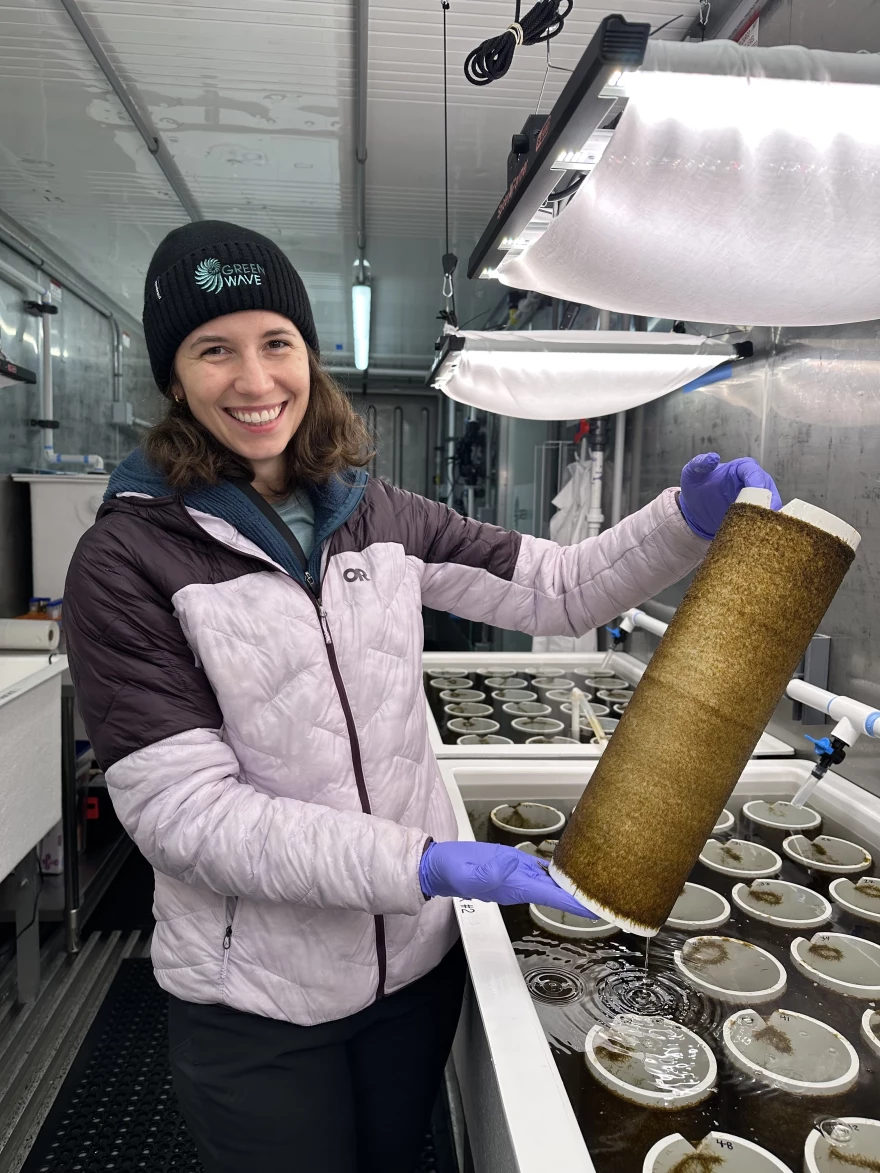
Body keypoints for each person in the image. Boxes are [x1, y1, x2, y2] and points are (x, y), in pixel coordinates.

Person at [63, 220, 780, 1173]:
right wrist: (426, 862)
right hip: (260, 1000)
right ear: (174, 377)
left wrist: (681, 525)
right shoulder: (127, 561)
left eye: (276, 342)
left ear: (309, 355)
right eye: (213, 350)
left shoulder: (373, 510)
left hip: (410, 974)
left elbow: (555, 588)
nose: (254, 379)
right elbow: (188, 818)